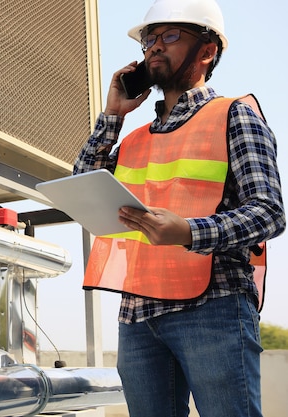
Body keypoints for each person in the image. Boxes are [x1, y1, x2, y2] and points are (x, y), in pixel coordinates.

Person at [73, 0, 285, 416]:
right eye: (150, 39)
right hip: (137, 314)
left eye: (170, 36)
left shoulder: (234, 115)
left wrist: (189, 231)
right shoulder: (132, 139)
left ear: (207, 51)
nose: (153, 47)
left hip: (213, 307)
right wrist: (112, 116)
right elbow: (81, 185)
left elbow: (269, 212)